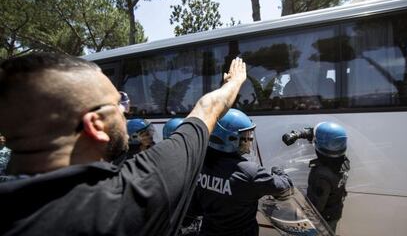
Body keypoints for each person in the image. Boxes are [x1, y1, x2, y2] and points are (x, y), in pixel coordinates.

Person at [0, 53, 247, 235]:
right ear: (95, 125)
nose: (126, 111)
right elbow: (208, 109)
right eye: (118, 102)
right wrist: (234, 82)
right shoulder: (135, 192)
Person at [186, 108, 293, 236]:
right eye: (246, 137)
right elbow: (284, 186)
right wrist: (278, 171)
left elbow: (195, 208)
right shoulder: (250, 172)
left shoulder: (199, 165)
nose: (249, 141)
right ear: (232, 139)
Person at [306, 122, 350, 233]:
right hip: (334, 211)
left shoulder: (321, 174)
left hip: (323, 219)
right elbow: (332, 137)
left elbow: (315, 208)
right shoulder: (343, 161)